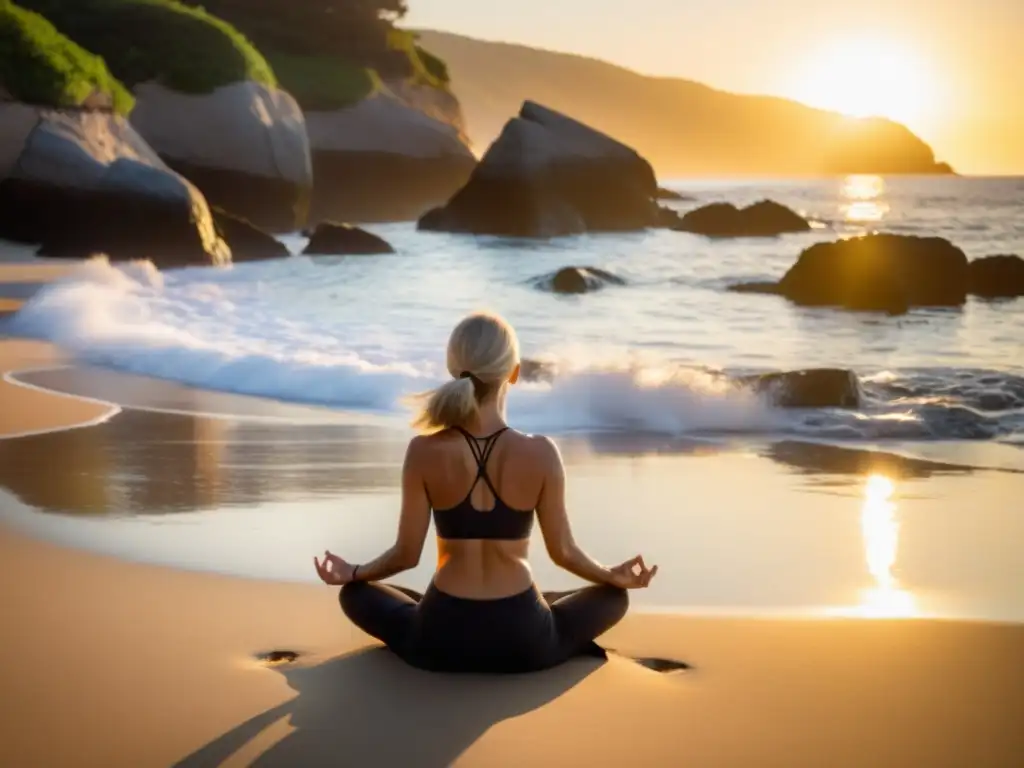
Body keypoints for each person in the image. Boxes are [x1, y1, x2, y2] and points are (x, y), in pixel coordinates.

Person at [313, 311, 658, 673]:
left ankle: (420, 611)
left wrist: (353, 571)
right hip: (525, 641)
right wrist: (610, 574)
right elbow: (565, 553)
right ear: (514, 372)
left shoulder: (423, 451)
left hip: (438, 638)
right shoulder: (541, 453)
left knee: (355, 594)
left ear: (453, 369)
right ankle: (547, 607)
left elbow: (405, 555)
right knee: (613, 598)